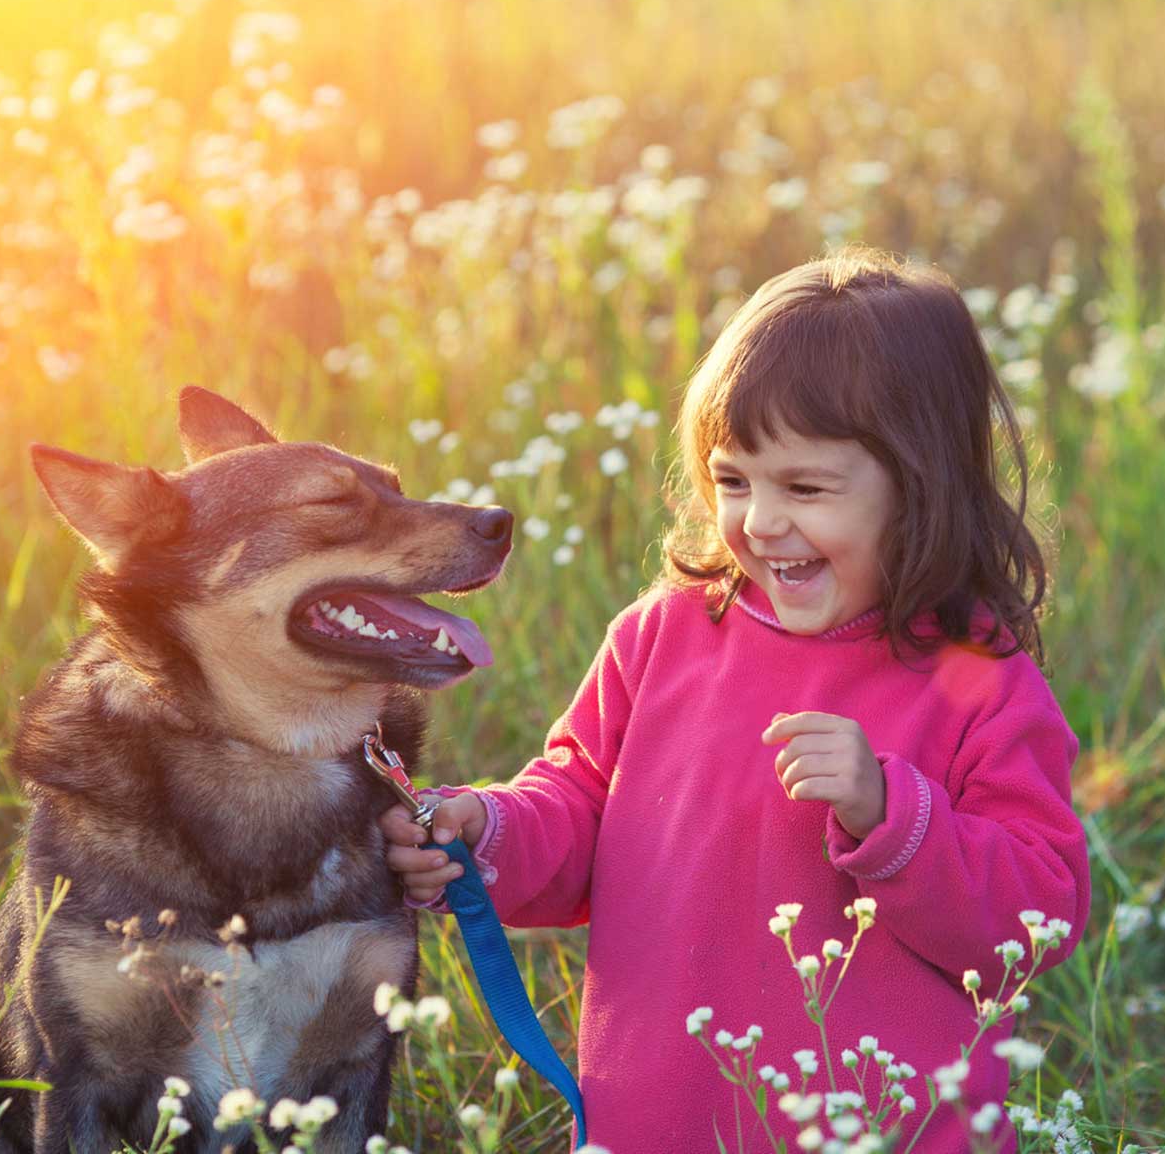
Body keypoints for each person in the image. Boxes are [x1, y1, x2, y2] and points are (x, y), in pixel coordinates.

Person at [381, 245, 1092, 1152]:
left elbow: (1036, 920)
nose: (760, 521)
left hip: (882, 1133)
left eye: (806, 487)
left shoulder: (979, 683)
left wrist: (894, 813)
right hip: (653, 1126)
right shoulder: (663, 637)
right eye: (732, 480)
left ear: (920, 488)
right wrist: (487, 828)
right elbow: (577, 811)